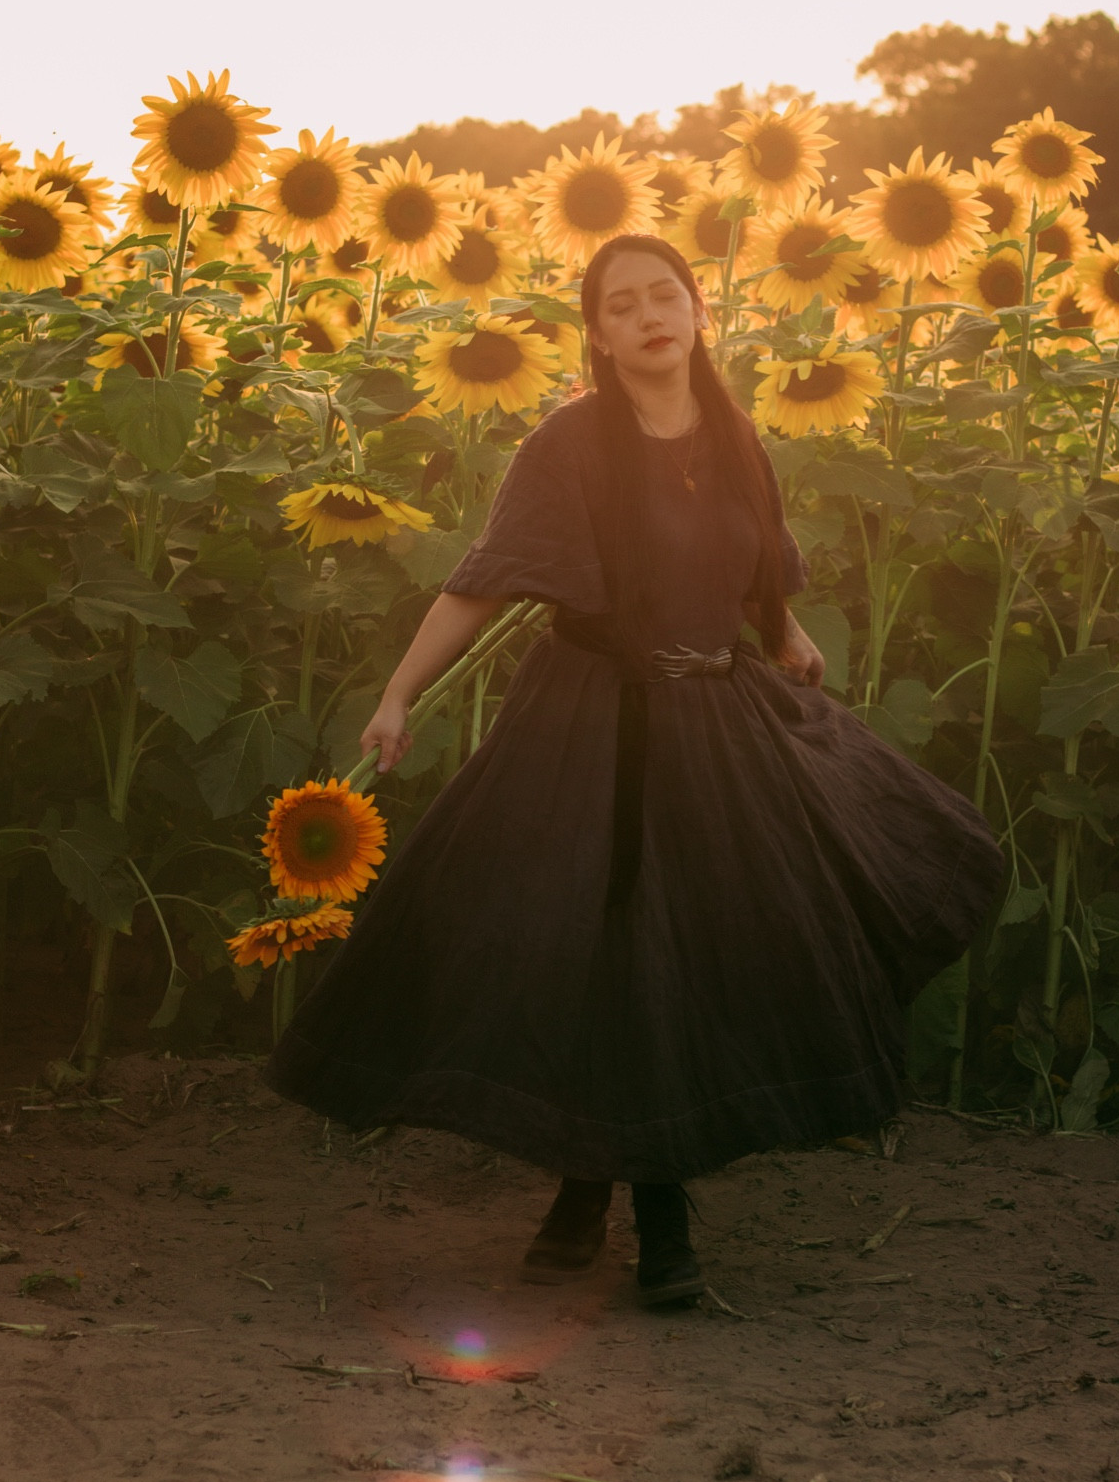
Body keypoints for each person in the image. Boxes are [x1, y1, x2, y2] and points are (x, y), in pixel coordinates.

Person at [265, 235, 1002, 1307]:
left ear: (699, 310)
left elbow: (748, 557)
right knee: (599, 950)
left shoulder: (735, 434)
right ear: (599, 334)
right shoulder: (571, 441)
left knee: (686, 952)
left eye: (666, 293)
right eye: (623, 303)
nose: (650, 313)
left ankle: (592, 1195)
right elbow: (487, 579)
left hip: (716, 716)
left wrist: (782, 633)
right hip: (590, 724)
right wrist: (397, 692)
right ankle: (653, 1231)